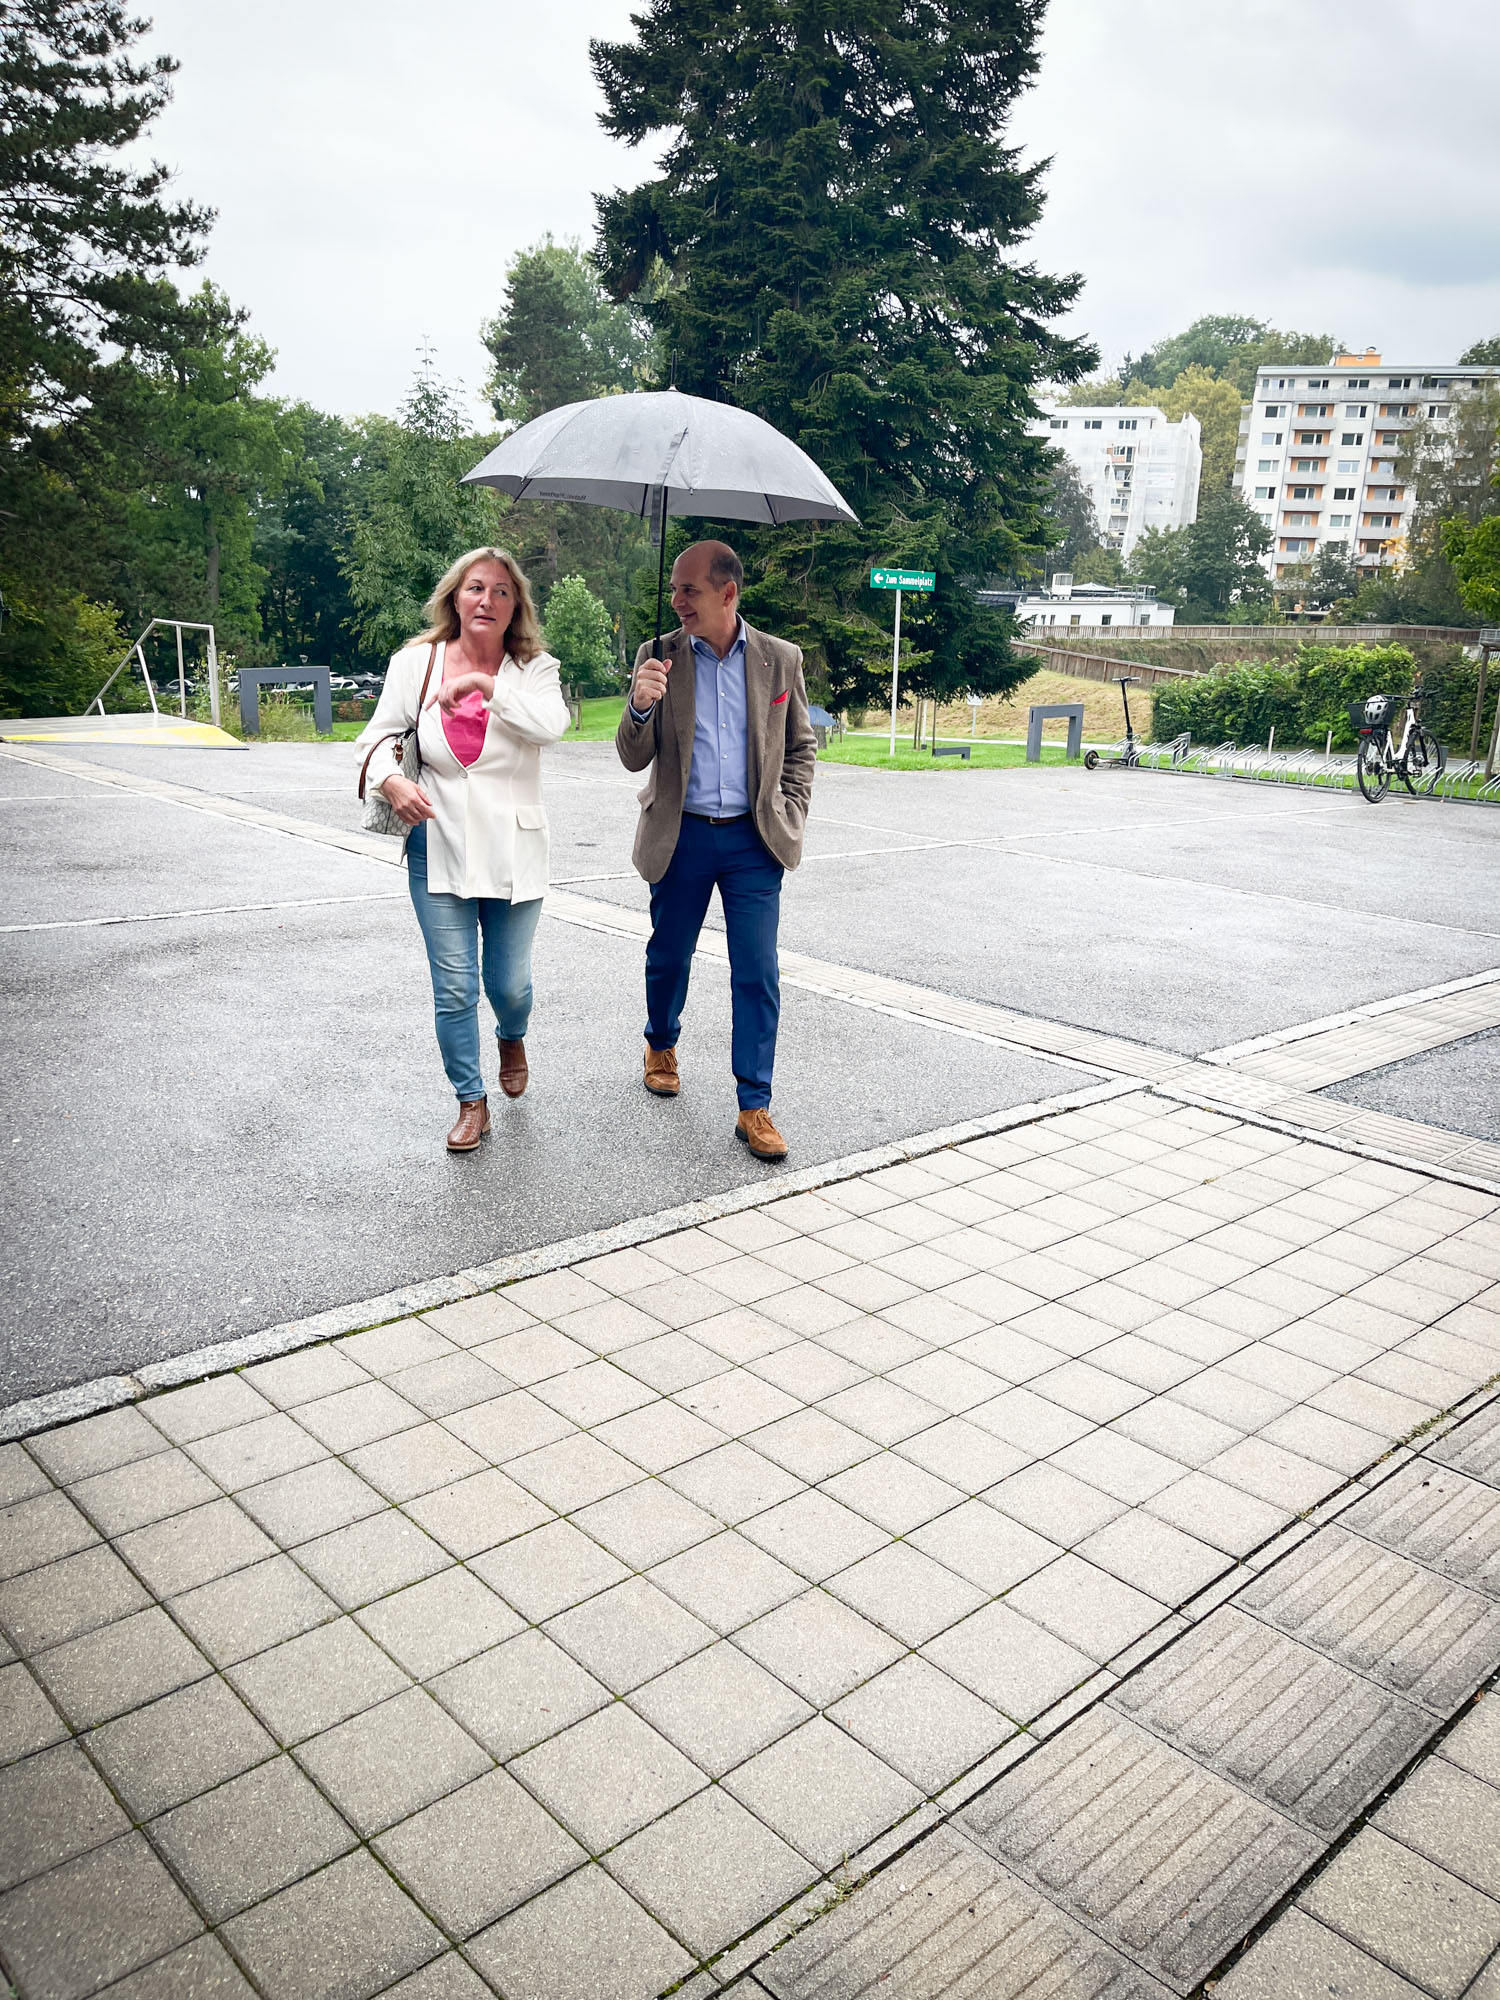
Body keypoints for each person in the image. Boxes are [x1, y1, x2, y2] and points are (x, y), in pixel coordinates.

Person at [356, 547, 570, 1151]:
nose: (487, 600)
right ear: (455, 595)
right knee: (454, 986)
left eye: (502, 591)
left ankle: (511, 1033)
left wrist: (487, 687)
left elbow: (550, 726)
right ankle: (471, 1100)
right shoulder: (415, 663)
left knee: (509, 986)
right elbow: (375, 739)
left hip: (514, 848)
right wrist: (391, 780)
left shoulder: (535, 668)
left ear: (516, 606)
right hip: (438, 841)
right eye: (476, 587)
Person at [616, 539, 816, 1160]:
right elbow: (632, 756)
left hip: (754, 840)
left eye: (690, 590)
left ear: (728, 593)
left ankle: (754, 1104)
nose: (677, 601)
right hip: (681, 836)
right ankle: (660, 1041)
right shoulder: (659, 656)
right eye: (675, 588)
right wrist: (640, 705)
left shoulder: (780, 659)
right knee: (669, 955)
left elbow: (801, 746)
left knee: (757, 971)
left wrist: (790, 808)